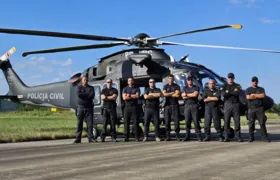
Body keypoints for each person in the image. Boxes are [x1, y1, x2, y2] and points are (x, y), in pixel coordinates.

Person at [245, 76, 269, 142]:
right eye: (253, 81)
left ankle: (264, 137)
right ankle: (251, 137)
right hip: (251, 108)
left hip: (260, 108)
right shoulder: (248, 89)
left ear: (257, 82)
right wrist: (257, 96)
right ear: (251, 82)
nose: (254, 82)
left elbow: (263, 95)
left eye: (256, 81)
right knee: (251, 123)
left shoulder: (261, 89)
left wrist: (254, 95)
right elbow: (248, 97)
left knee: (262, 123)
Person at [221, 73, 242, 142]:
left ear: (234, 78)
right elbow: (224, 94)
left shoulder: (237, 85)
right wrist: (233, 92)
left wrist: (229, 92)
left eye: (231, 77)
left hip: (235, 104)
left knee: (237, 121)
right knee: (226, 121)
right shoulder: (224, 86)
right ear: (227, 78)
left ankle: (238, 136)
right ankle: (226, 136)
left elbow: (238, 93)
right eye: (229, 77)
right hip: (227, 104)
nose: (230, 79)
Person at [74, 75, 95, 143]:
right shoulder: (78, 87)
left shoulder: (91, 88)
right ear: (81, 80)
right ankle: (78, 138)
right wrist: (87, 94)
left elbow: (92, 95)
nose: (85, 81)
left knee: (90, 124)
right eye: (84, 80)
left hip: (89, 108)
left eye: (86, 80)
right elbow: (79, 95)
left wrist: (84, 94)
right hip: (81, 107)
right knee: (79, 123)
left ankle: (90, 138)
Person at [181, 75, 202, 142]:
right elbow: (183, 97)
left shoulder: (196, 87)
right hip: (187, 106)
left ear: (193, 81)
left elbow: (195, 95)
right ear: (187, 81)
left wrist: (187, 95)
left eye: (191, 80)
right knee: (187, 121)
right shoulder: (185, 88)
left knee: (196, 121)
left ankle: (199, 136)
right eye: (189, 80)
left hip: (194, 105)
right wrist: (190, 95)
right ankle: (187, 136)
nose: (190, 81)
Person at [162, 74, 181, 141]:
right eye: (169, 78)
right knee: (167, 121)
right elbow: (164, 94)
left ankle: (177, 136)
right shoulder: (165, 86)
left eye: (172, 79)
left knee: (176, 121)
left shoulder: (177, 86)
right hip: (167, 106)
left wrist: (168, 94)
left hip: (175, 105)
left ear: (173, 79)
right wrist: (172, 93)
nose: (171, 80)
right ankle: (168, 136)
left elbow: (177, 95)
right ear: (168, 79)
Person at [122, 77, 141, 142]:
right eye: (129, 81)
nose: (130, 81)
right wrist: (133, 96)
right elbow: (124, 98)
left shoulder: (137, 88)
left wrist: (129, 95)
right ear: (127, 82)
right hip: (127, 107)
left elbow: (137, 96)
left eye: (131, 80)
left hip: (134, 106)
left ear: (133, 81)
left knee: (135, 122)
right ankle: (126, 137)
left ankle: (136, 137)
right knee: (126, 122)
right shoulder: (125, 88)